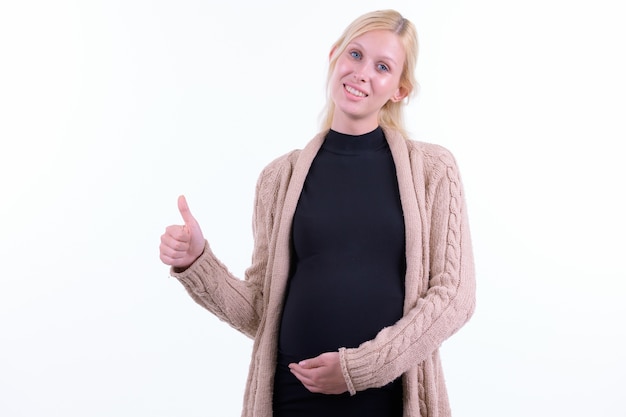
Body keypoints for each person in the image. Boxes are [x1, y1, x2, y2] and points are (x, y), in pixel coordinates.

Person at [159, 9, 475, 417]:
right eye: (356, 55)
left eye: (382, 67)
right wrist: (197, 261)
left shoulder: (434, 170)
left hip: (387, 398)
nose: (362, 73)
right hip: (292, 398)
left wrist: (357, 370)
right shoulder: (278, 178)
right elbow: (261, 312)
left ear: (399, 89)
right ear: (334, 56)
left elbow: (454, 298)